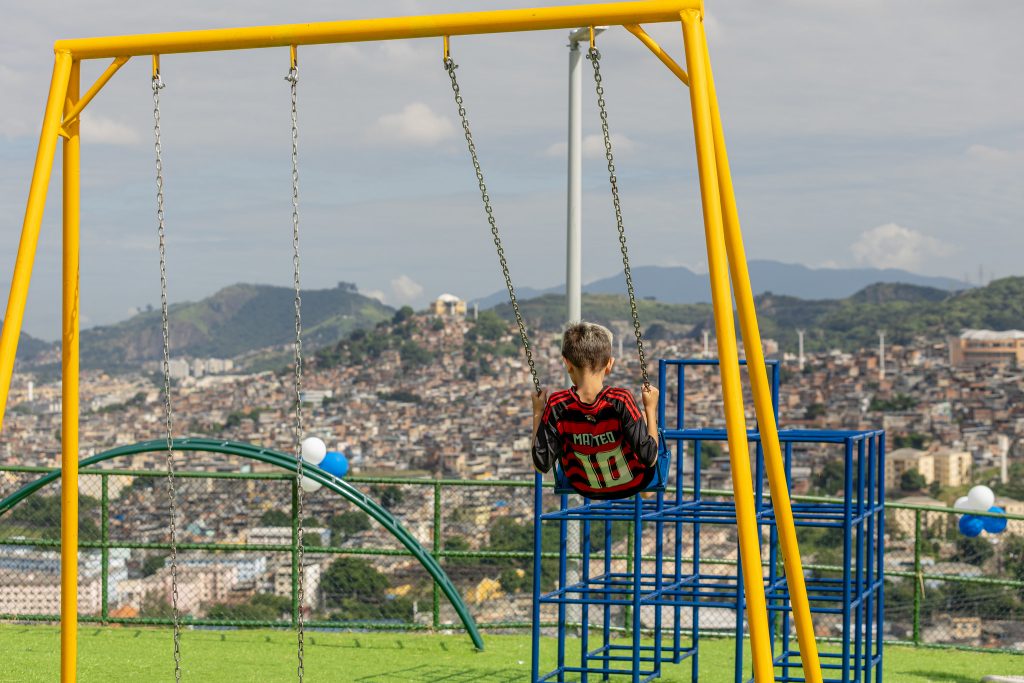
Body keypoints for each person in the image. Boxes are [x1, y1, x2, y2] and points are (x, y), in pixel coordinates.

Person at [531, 321, 660, 500]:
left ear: (566, 363)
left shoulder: (557, 404)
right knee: (644, 417)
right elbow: (650, 458)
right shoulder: (620, 400)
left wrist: (538, 412)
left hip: (585, 487)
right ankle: (647, 491)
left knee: (568, 429)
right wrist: (650, 408)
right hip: (634, 482)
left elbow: (541, 465)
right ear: (610, 364)